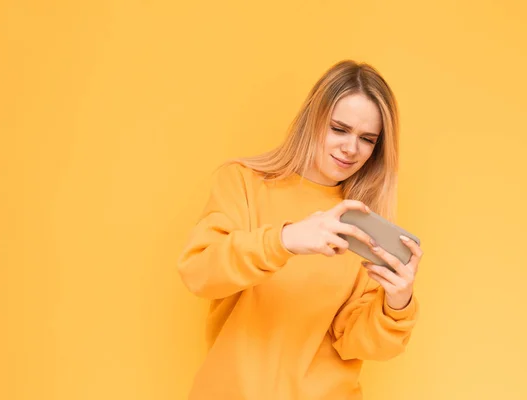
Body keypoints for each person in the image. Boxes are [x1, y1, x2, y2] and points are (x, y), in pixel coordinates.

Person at [177, 59, 424, 399]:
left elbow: (358, 342)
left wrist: (397, 304)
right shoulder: (243, 182)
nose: (351, 149)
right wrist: (285, 240)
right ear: (313, 119)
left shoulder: (362, 221)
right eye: (339, 129)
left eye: (367, 139)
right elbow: (199, 272)